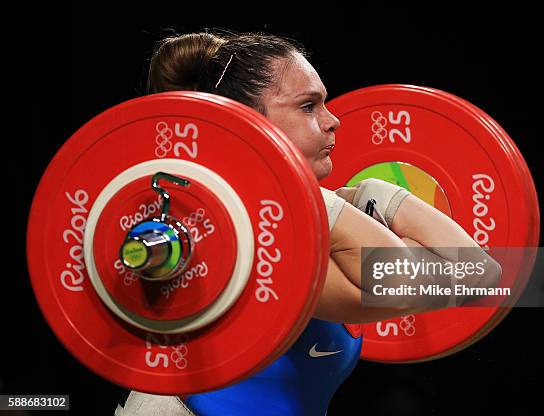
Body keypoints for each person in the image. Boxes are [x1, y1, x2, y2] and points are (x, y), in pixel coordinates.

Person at [115, 30, 502, 416]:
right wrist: (331, 205)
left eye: (325, 104)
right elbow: (401, 287)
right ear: (247, 121)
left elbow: (480, 273)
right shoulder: (245, 231)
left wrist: (377, 193)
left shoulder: (313, 216)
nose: (332, 120)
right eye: (307, 106)